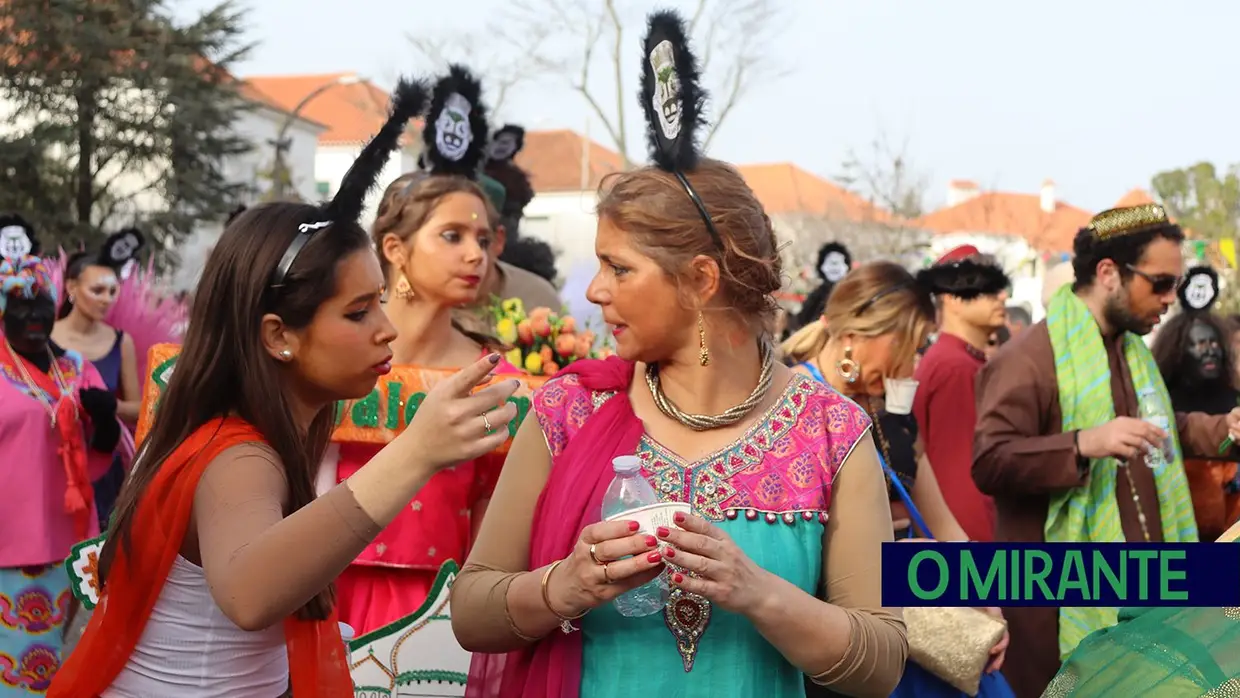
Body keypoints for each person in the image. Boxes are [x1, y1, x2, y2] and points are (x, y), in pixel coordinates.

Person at [450, 11, 906, 698]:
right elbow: (472, 611)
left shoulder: (830, 433)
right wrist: (563, 586)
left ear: (700, 280)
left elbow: (881, 664)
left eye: (620, 268)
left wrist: (760, 595)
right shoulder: (571, 409)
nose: (596, 291)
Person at [47, 77, 522, 698]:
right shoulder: (237, 454)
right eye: (357, 313)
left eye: (380, 303)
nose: (385, 331)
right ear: (279, 336)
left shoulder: (253, 432)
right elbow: (250, 595)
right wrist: (416, 450)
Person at [972, 203, 1240, 698]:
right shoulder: (1029, 358)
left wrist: (1225, 428)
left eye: (1176, 286)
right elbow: (990, 461)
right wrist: (1082, 444)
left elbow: (1162, 431)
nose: (1169, 300)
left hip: (1144, 596)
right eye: (1159, 284)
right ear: (1109, 273)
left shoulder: (1130, 352)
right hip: (1055, 598)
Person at [327, 65, 543, 636]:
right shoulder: (329, 354)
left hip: (445, 617)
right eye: (452, 236)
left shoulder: (497, 376)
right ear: (394, 248)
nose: (475, 254)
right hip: (320, 595)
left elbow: (502, 518)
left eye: (482, 238)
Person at [781, 260, 1010, 696]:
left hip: (919, 627)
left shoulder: (889, 409)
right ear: (855, 335)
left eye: (922, 345)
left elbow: (943, 525)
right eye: (909, 344)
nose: (914, 363)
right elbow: (795, 559)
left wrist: (989, 604)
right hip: (845, 642)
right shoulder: (791, 405)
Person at [0, 215, 121, 697]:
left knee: (42, 663)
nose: (34, 314)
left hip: (66, 538)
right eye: (20, 305)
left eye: (42, 303)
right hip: (9, 537)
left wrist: (107, 423)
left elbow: (103, 455)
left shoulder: (75, 368)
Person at [912, 245, 1009, 542]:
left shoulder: (962, 361)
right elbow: (959, 480)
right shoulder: (954, 366)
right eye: (986, 289)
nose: (1001, 296)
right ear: (952, 297)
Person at [51, 229, 146, 529]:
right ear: (71, 288)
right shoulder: (44, 338)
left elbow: (140, 407)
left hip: (105, 467)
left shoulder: (122, 342)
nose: (106, 300)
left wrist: (109, 406)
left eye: (112, 291)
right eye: (97, 290)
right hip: (54, 459)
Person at [1152, 265, 1240, 540]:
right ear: (1178, 350)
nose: (1209, 351)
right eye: (1199, 344)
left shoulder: (1233, 396)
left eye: (1214, 344)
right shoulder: (1161, 399)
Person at [782, 241, 852, 342]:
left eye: (838, 262)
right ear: (822, 266)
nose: (834, 266)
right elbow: (803, 319)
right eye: (830, 262)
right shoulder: (818, 294)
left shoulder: (850, 294)